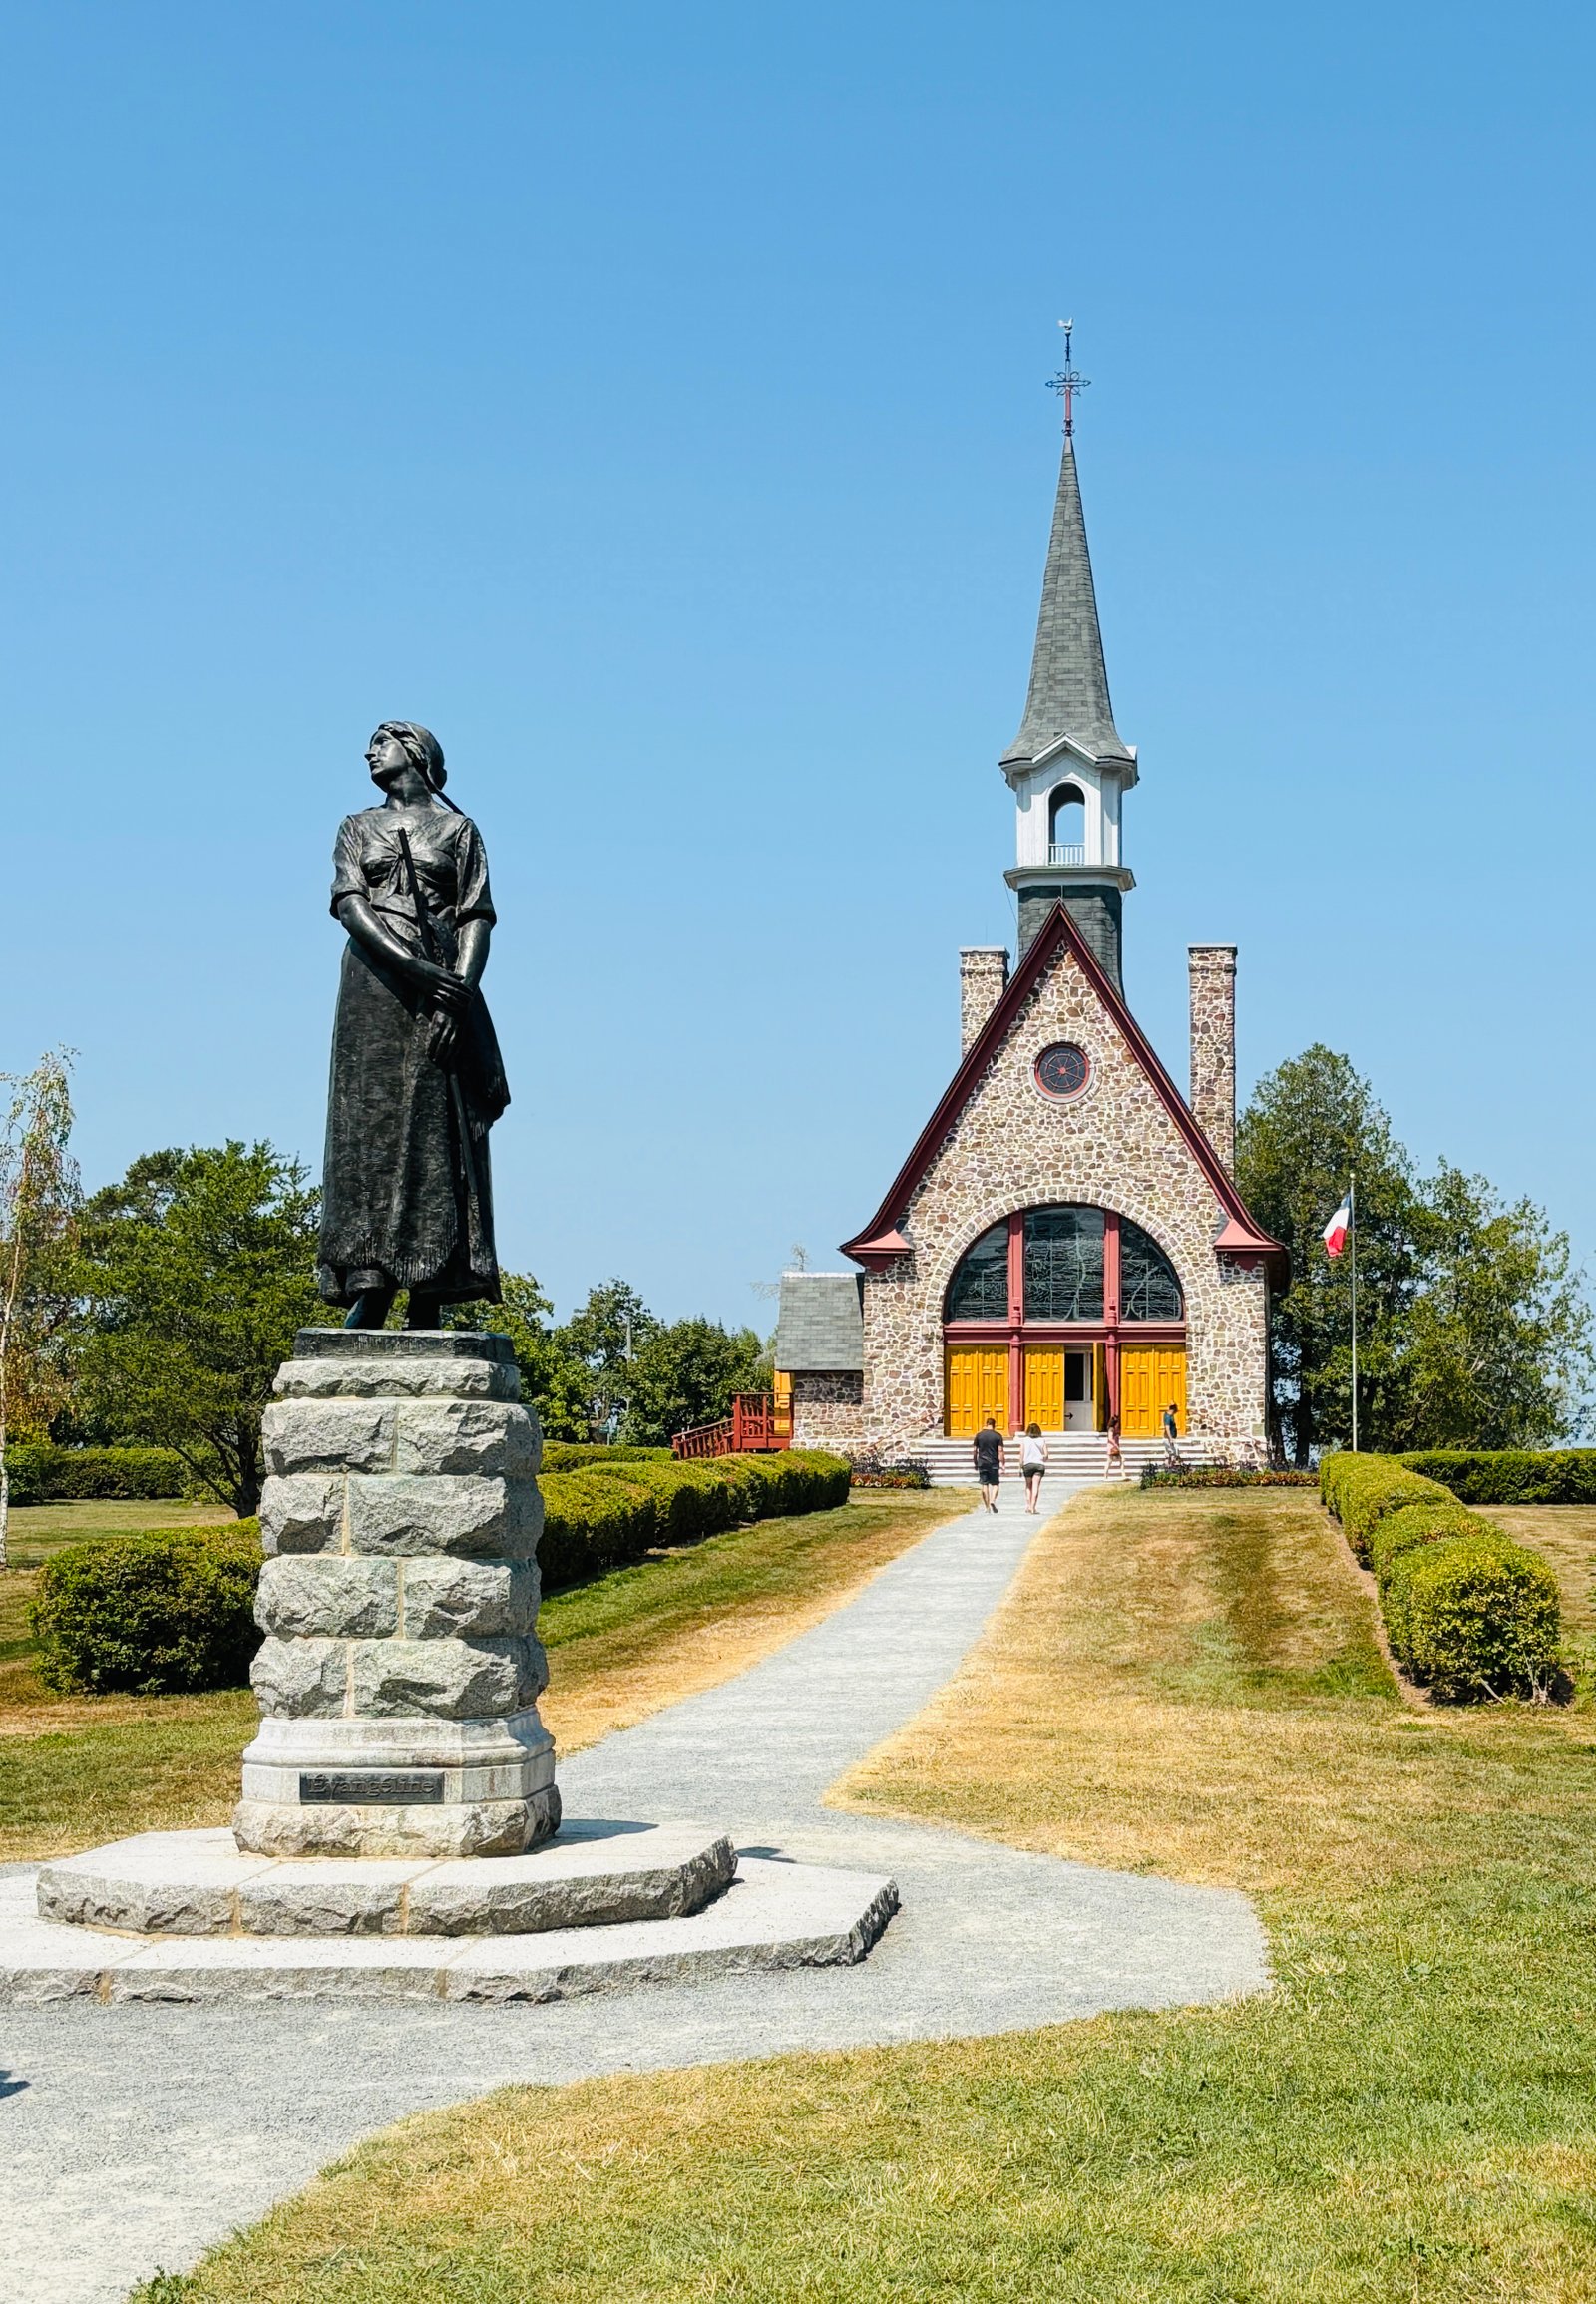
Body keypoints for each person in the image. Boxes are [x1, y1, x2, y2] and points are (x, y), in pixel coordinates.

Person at [317, 722, 510, 1330]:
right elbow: (350, 903)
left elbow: (476, 914)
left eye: (382, 741)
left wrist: (455, 993)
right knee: (363, 1128)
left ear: (416, 754)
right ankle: (368, 1282)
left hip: (444, 991)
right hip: (374, 986)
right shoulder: (356, 827)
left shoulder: (459, 831)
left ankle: (432, 1286)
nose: (369, 751)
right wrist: (412, 967)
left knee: (435, 1126)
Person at [972, 1416, 1004, 1512]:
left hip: (982, 1462)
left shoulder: (979, 1435)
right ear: (994, 1425)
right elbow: (1001, 1450)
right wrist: (1002, 1463)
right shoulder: (998, 1436)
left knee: (984, 1484)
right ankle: (992, 1500)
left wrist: (975, 1461)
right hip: (993, 1462)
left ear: (986, 1424)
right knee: (995, 1484)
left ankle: (986, 1507)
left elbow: (974, 1450)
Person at [1020, 1421, 1048, 1513]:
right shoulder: (1042, 1440)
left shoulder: (1025, 1440)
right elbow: (1046, 1455)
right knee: (1036, 1486)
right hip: (1039, 1465)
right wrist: (1042, 1458)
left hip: (1028, 1464)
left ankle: (1028, 1505)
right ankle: (1033, 1507)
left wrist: (1021, 1465)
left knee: (1028, 1486)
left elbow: (1022, 1454)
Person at [1105, 1412, 1124, 1480]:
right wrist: (1116, 1446)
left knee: (1121, 1460)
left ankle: (1123, 1475)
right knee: (1109, 1461)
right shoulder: (1111, 1430)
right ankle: (1105, 1476)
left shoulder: (1113, 1429)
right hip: (1112, 1447)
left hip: (1113, 1447)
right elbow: (1110, 1439)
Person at [1162, 1400, 1180, 1467]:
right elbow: (1167, 1428)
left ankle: (1169, 1466)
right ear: (1173, 1410)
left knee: (1169, 1453)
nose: (1176, 1412)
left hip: (1170, 1438)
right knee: (1174, 1452)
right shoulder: (1168, 1417)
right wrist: (1171, 1439)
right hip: (1169, 1438)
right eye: (1175, 1411)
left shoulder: (1169, 1415)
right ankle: (1172, 1466)